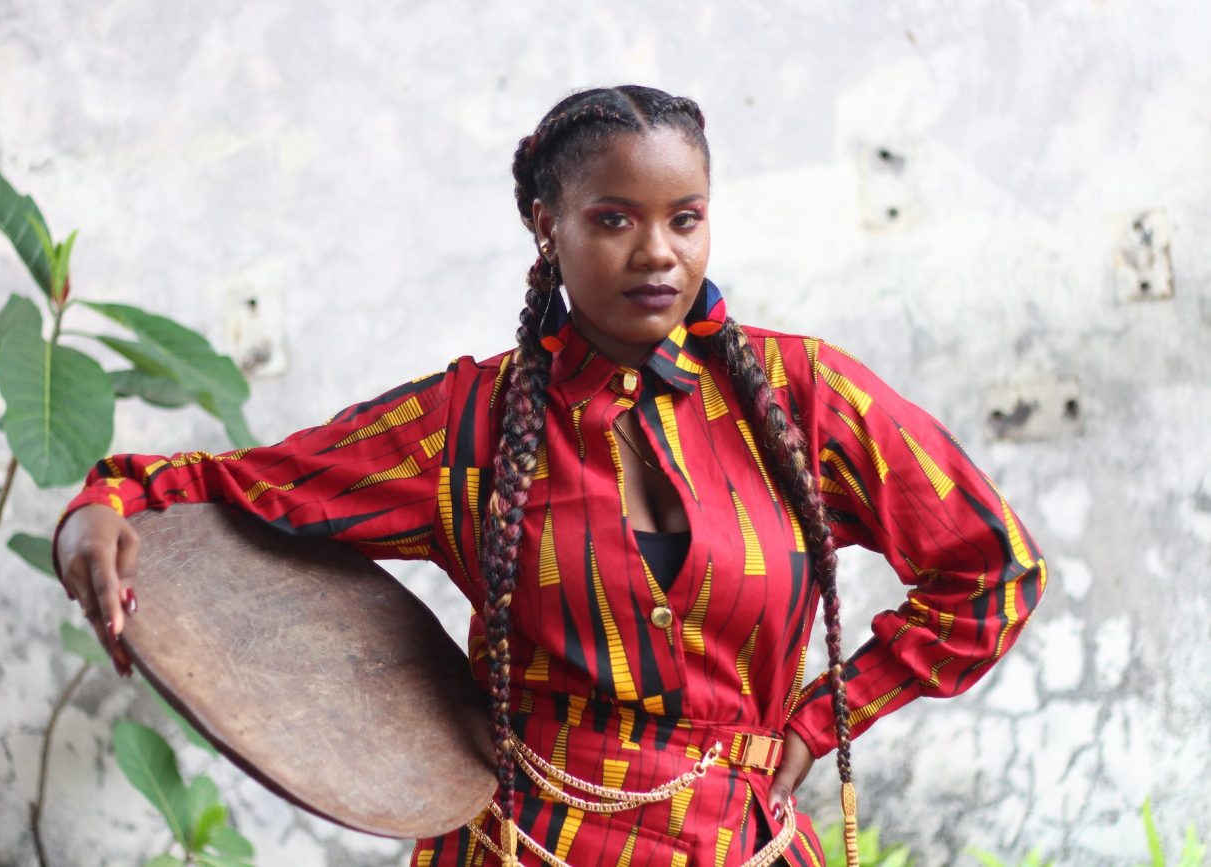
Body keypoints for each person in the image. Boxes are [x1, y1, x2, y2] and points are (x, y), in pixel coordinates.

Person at [54, 85, 1047, 867]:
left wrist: (826, 716)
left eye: (685, 218)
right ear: (547, 224)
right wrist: (97, 512)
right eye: (614, 219)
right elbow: (235, 484)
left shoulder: (807, 395)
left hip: (741, 846)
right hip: (521, 844)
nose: (657, 252)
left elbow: (990, 573)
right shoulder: (466, 424)